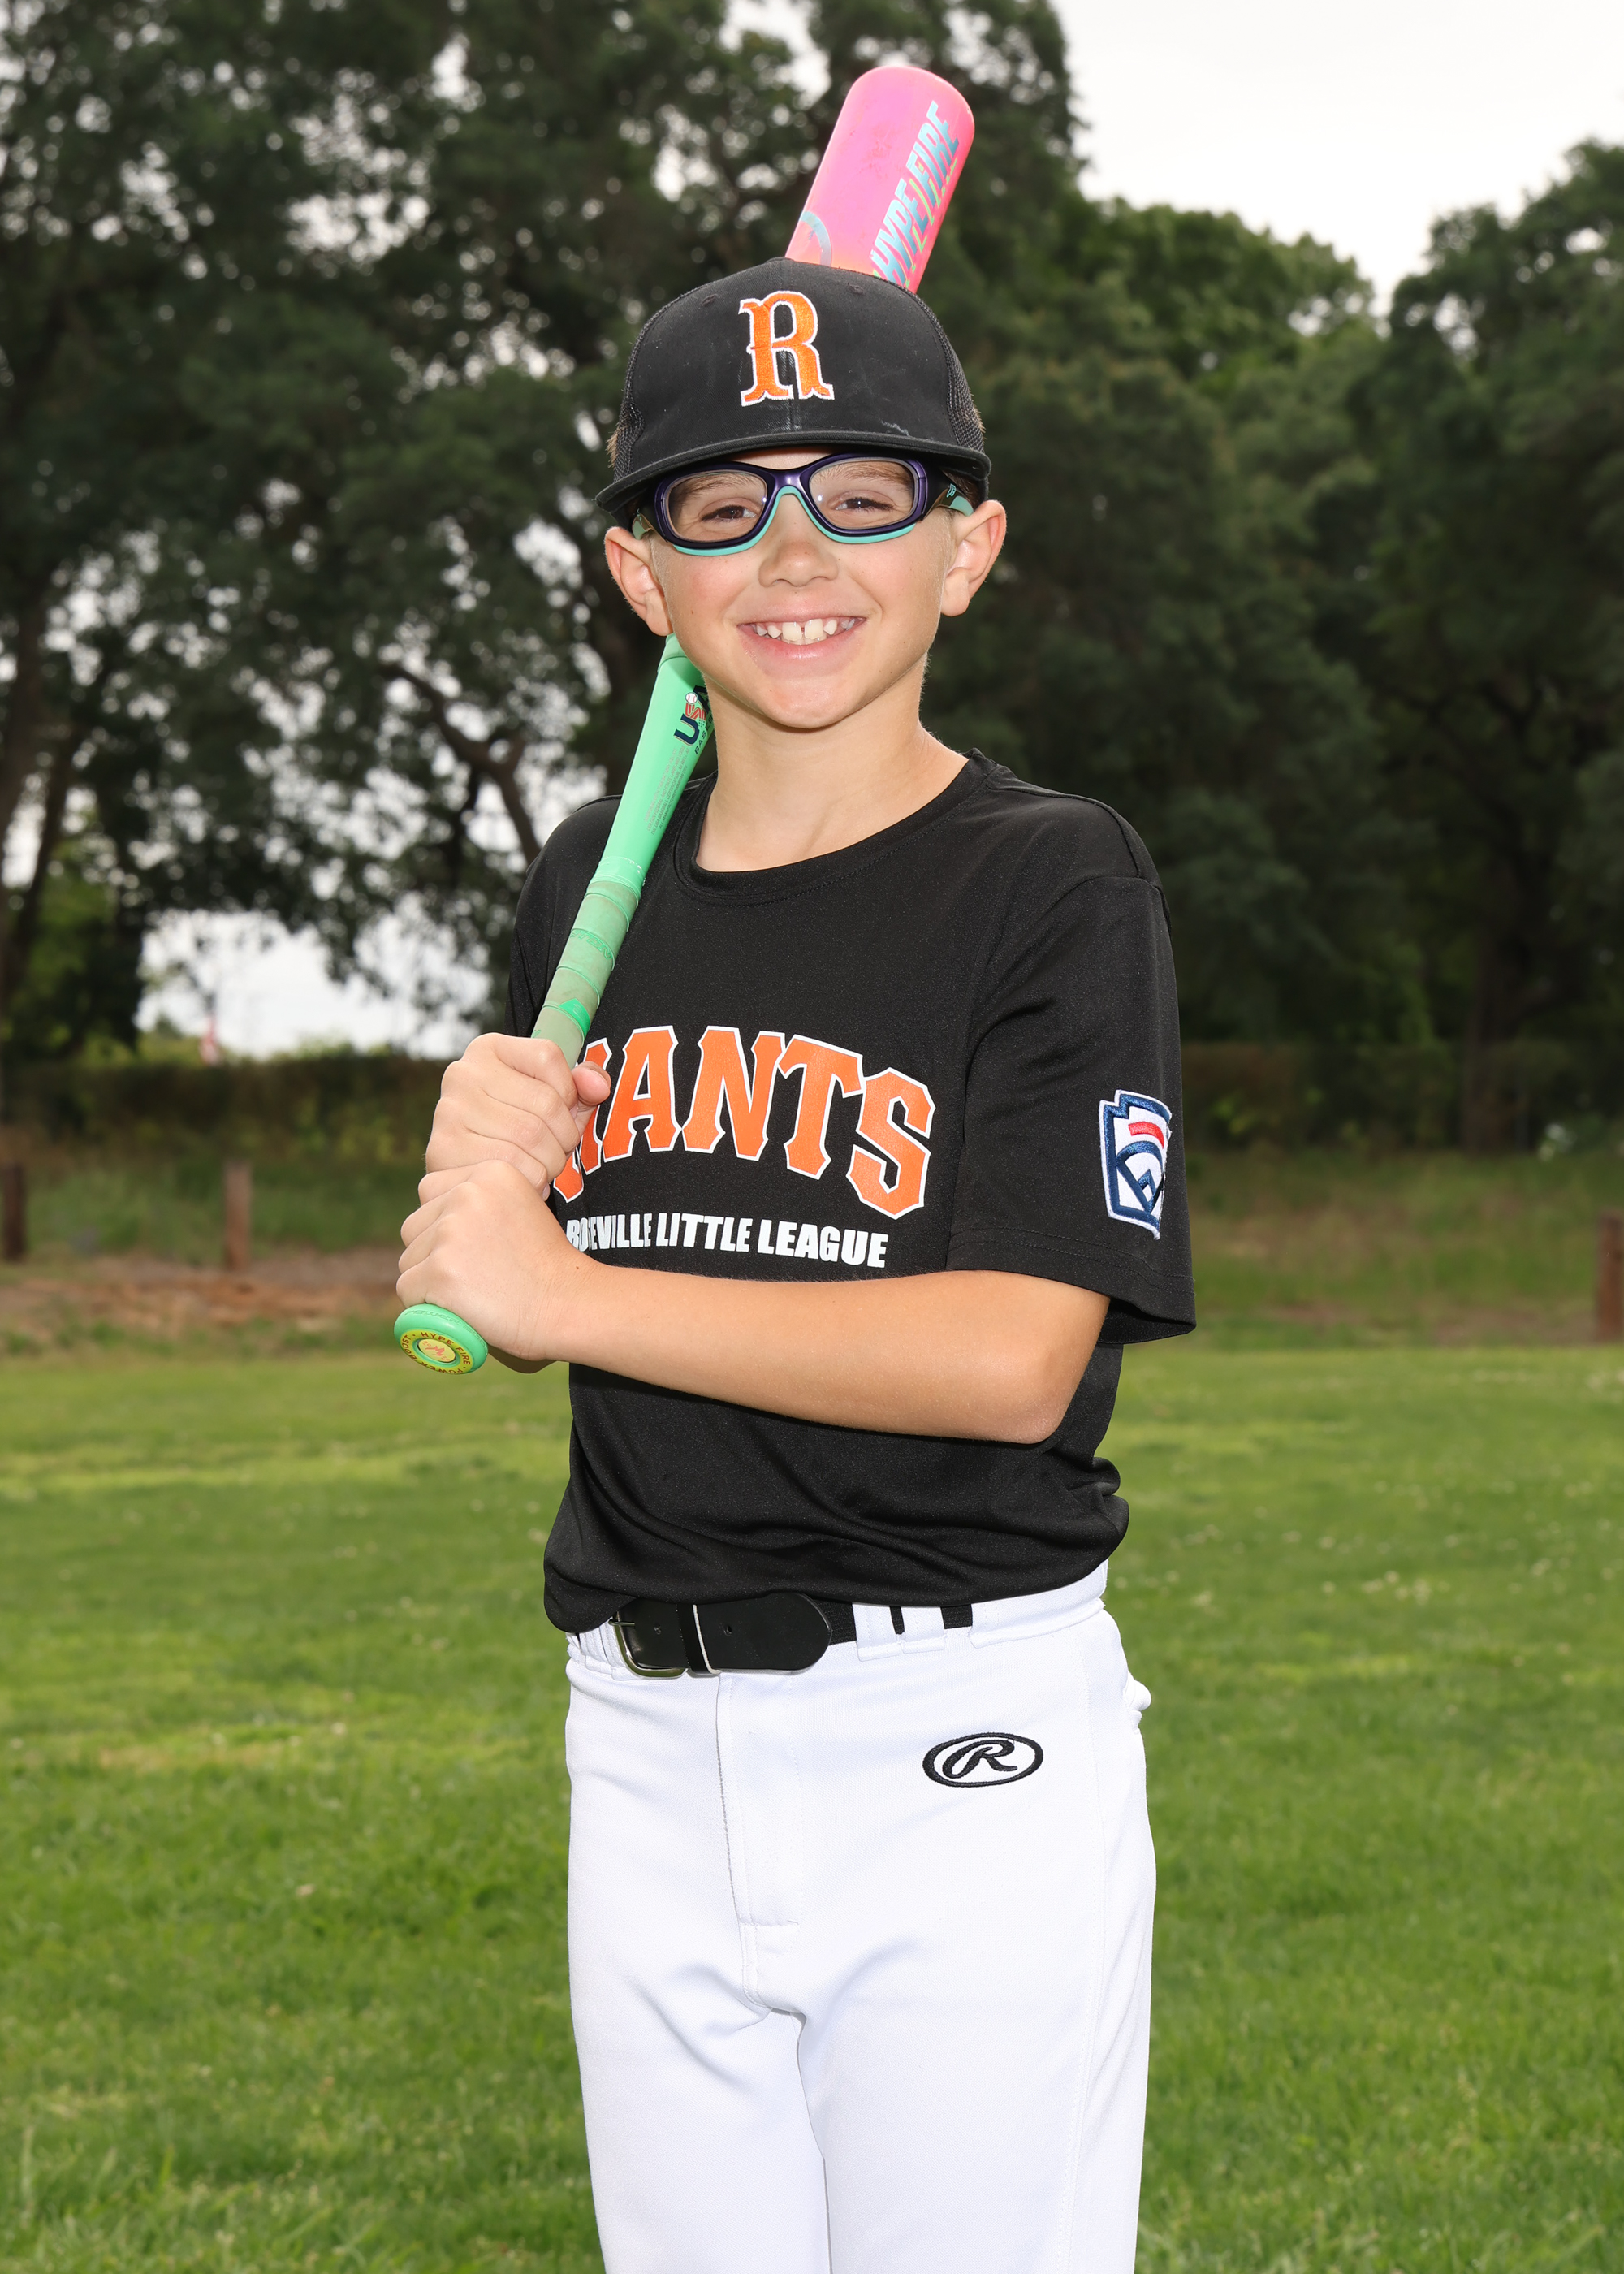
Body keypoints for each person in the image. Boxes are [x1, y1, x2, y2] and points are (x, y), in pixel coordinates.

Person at [396, 255, 1194, 2274]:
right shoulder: (589, 887)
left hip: (956, 1743)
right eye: (720, 505)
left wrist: (557, 1294)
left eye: (862, 493)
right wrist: (498, 1202)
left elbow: (1013, 1353)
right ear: (638, 572)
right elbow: (572, 1272)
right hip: (643, 1732)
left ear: (967, 546)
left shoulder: (1050, 879)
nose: (793, 553)